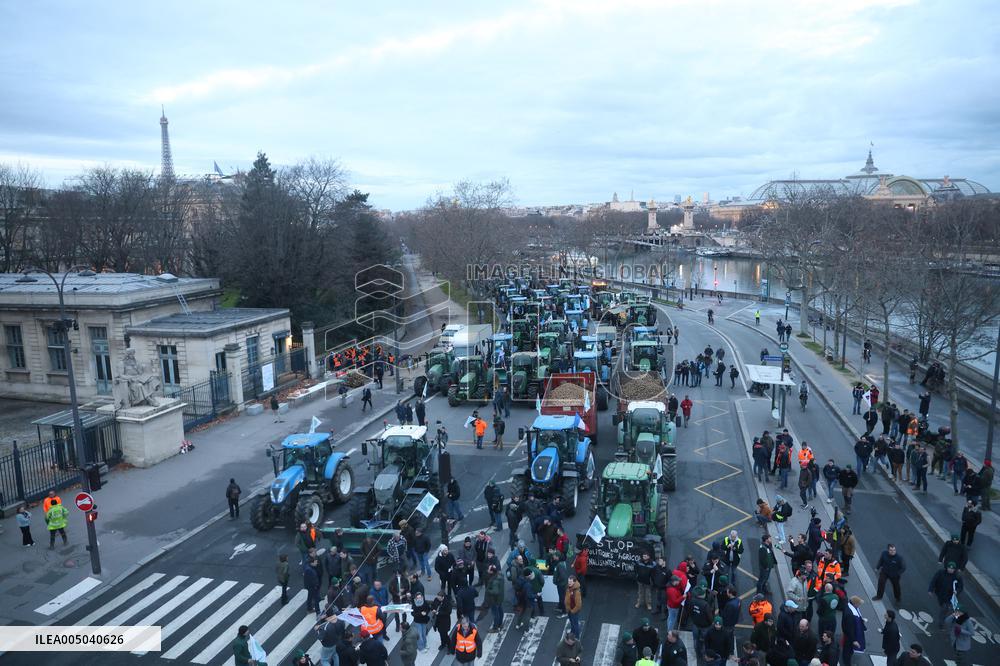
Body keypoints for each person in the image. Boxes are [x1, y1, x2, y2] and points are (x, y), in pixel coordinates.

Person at [841, 595, 866, 665]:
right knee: (847, 650)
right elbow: (850, 629)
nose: (859, 606)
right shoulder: (850, 614)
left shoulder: (848, 607)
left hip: (847, 633)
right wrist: (854, 640)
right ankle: (847, 663)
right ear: (855, 604)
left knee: (847, 649)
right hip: (849, 636)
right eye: (859, 604)